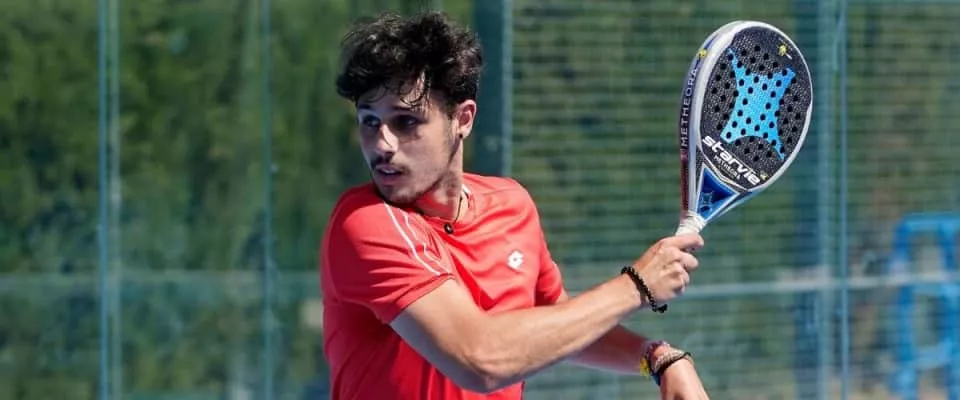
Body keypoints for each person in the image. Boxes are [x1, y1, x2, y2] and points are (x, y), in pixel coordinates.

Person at [320, 10, 710, 400]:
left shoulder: (512, 205)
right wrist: (636, 286)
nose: (382, 144)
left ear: (463, 119)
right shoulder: (365, 224)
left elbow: (561, 326)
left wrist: (657, 357)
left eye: (405, 122)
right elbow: (480, 360)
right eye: (369, 121)